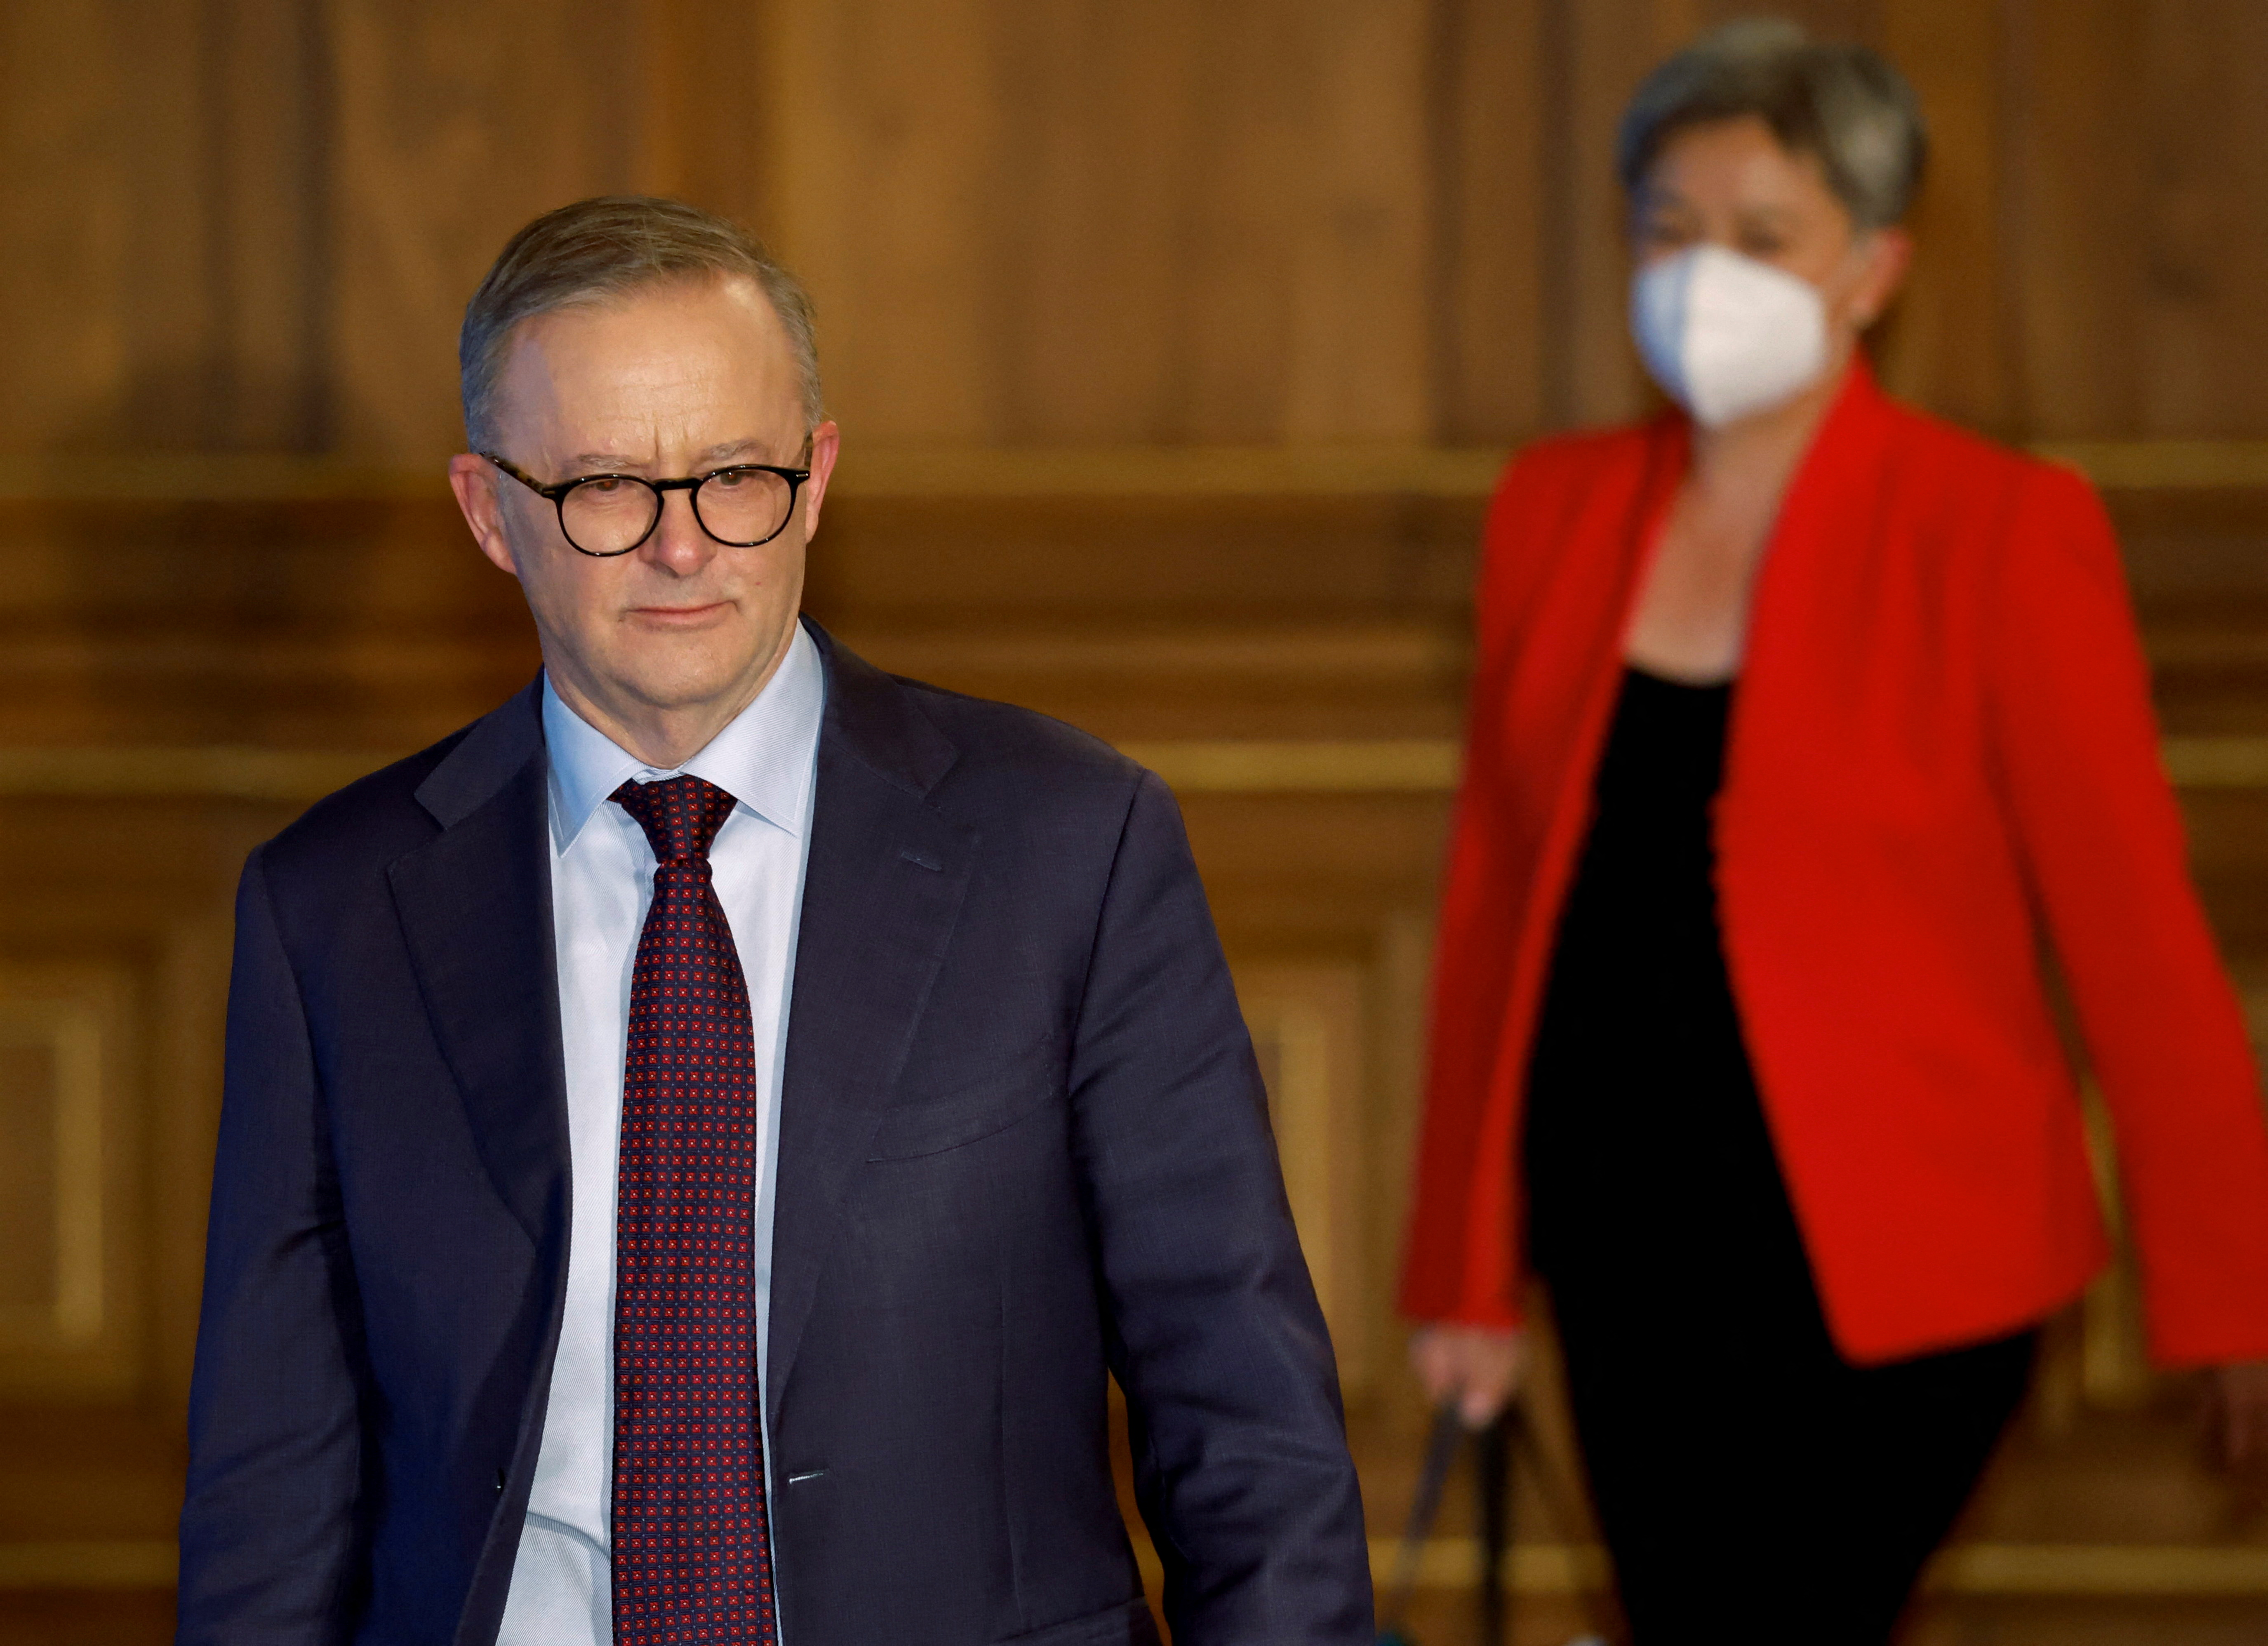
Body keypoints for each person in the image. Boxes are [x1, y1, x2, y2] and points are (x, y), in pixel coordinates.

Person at [176, 196, 1372, 1646]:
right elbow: (273, 1485)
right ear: (490, 514)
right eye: (606, 487)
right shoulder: (334, 907)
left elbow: (1241, 1414)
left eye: (732, 474)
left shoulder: (1068, 845)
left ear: (814, 478)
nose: (683, 550)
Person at [1400, 21, 2268, 1643]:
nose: (1699, 272)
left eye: (1759, 236)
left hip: (1904, 1261)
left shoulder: (2002, 528)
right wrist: (1464, 1268)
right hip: (1623, 1234)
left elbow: (2134, 934)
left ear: (1872, 266)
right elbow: (1493, 906)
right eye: (1667, 227)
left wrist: (2237, 1289)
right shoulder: (1554, 507)